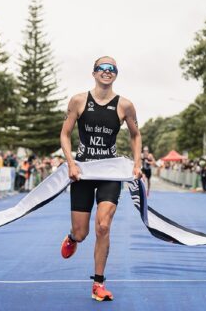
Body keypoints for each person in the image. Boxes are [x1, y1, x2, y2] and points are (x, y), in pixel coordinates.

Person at [58, 56, 142, 302]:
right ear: (94, 73)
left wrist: (137, 164)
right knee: (82, 232)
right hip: (83, 172)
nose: (107, 71)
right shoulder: (78, 101)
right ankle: (72, 237)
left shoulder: (125, 105)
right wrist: (71, 163)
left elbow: (136, 136)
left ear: (116, 74)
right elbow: (64, 134)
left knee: (103, 226)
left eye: (112, 69)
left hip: (110, 172)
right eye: (102, 68)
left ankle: (98, 284)